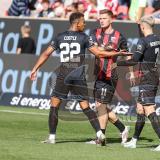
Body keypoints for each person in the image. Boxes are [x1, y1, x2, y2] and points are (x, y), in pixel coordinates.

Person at [30, 12, 121, 145]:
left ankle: (52, 137)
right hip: (79, 76)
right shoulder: (84, 37)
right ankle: (99, 133)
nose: (85, 24)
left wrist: (35, 68)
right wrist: (116, 52)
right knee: (86, 107)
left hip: (64, 75)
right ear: (77, 23)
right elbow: (99, 53)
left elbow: (46, 53)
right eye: (83, 22)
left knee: (54, 106)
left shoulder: (60, 37)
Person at [117, 16, 160, 151]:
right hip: (152, 75)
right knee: (140, 109)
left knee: (149, 109)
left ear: (142, 26)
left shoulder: (143, 41)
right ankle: (134, 140)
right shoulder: (156, 38)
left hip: (147, 78)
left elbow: (134, 60)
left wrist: (116, 62)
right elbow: (144, 43)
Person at [87, 9, 131, 145]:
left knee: (101, 106)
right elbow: (96, 51)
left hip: (110, 76)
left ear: (111, 19)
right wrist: (110, 52)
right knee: (101, 107)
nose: (101, 20)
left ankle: (101, 138)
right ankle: (123, 129)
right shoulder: (94, 33)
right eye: (100, 18)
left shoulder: (119, 36)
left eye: (104, 18)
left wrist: (131, 70)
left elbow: (127, 54)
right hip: (98, 74)